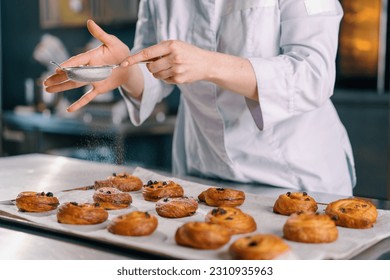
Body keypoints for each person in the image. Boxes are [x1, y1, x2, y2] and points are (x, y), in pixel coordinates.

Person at [44, 0, 356, 196]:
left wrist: (208, 64)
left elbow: (314, 73)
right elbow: (156, 72)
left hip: (295, 176)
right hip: (203, 175)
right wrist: (125, 69)